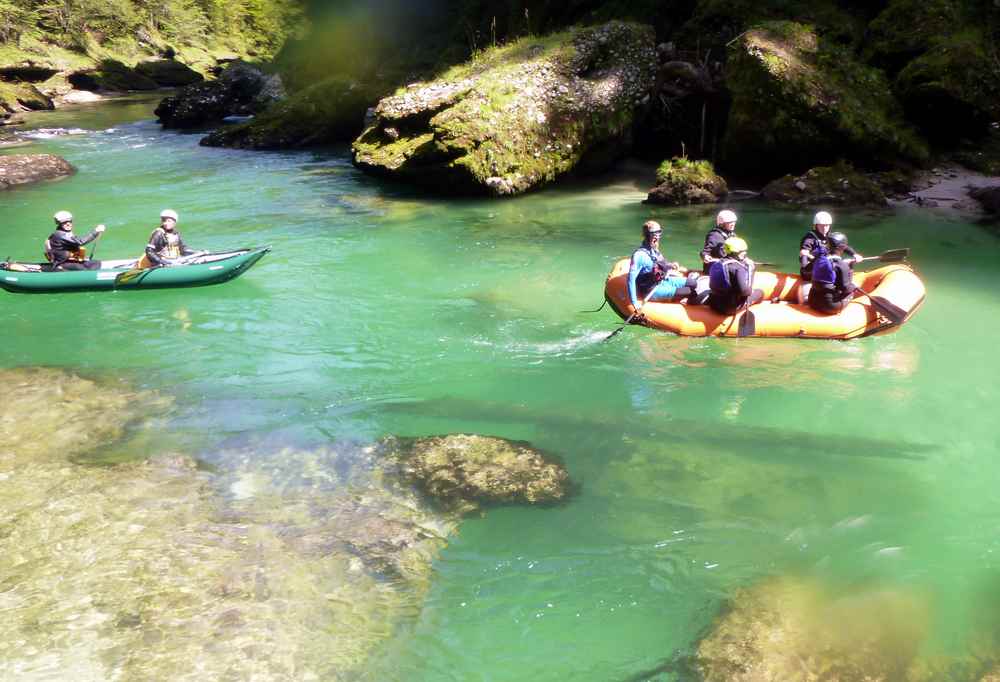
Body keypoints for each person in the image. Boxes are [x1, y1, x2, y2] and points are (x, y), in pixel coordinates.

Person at [627, 220, 696, 315]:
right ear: (653, 235)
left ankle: (676, 296)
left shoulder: (654, 249)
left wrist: (670, 265)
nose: (660, 235)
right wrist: (635, 303)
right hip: (651, 289)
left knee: (693, 283)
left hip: (662, 280)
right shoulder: (639, 255)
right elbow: (630, 280)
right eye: (659, 232)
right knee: (689, 291)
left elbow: (661, 263)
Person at [708, 236, 764, 315]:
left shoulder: (718, 263)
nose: (745, 253)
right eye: (743, 251)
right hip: (728, 309)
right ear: (737, 252)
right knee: (760, 292)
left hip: (713, 303)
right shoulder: (738, 268)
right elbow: (746, 292)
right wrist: (751, 269)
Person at [807, 231, 859, 314]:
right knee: (852, 291)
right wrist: (854, 285)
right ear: (841, 248)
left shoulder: (819, 255)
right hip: (829, 306)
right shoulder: (842, 266)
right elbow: (846, 289)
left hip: (812, 301)